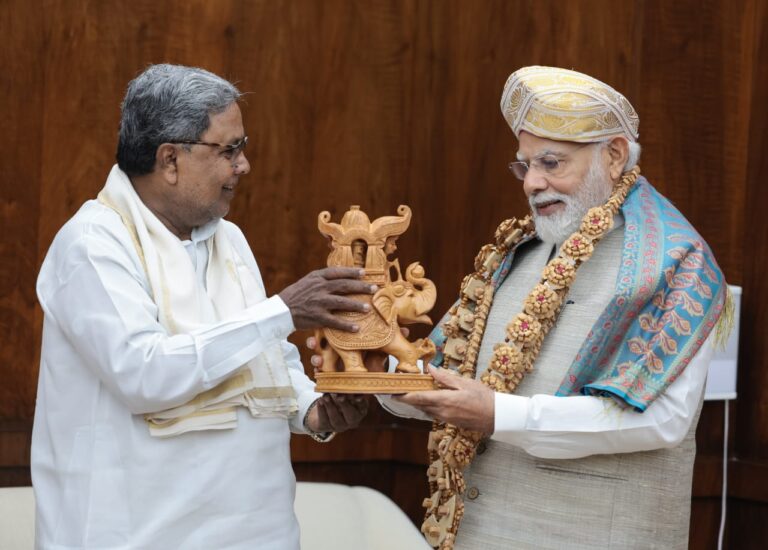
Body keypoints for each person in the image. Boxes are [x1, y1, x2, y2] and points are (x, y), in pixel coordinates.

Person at [317, 66, 732, 549]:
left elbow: (663, 421)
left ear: (614, 155)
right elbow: (445, 370)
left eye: (552, 163)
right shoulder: (522, 250)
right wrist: (378, 365)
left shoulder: (676, 261)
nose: (531, 183)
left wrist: (499, 414)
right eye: (524, 165)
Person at [32, 64, 376, 549]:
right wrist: (283, 310)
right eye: (229, 149)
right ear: (170, 159)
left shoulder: (229, 239)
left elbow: (269, 362)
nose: (243, 165)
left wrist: (315, 413)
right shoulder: (93, 244)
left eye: (243, 147)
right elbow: (145, 375)